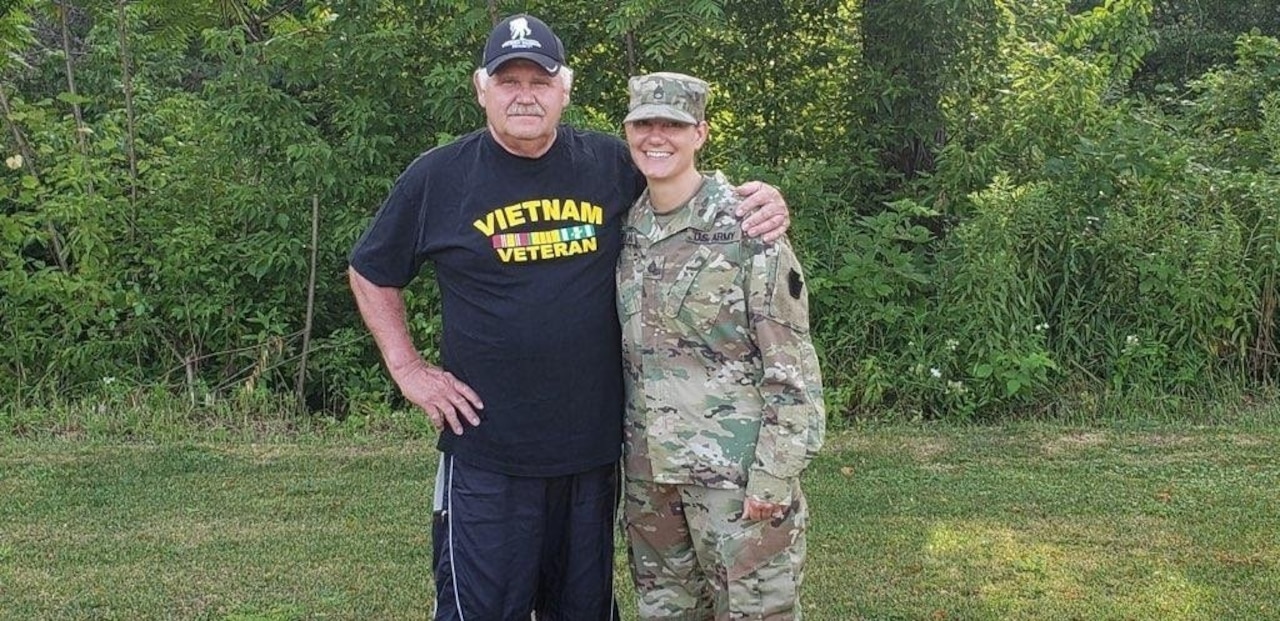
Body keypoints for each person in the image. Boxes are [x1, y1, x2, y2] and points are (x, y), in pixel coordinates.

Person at [347, 15, 790, 621]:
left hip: (593, 452)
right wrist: (407, 367)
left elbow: (681, 184)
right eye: (508, 81)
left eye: (540, 79)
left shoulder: (611, 164)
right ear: (482, 89)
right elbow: (372, 270)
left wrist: (756, 199)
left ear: (565, 89)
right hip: (487, 451)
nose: (524, 94)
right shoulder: (439, 177)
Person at [616, 72, 825, 620]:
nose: (656, 136)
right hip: (650, 479)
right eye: (644, 124)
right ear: (628, 131)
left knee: (755, 612)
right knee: (665, 610)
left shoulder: (746, 225)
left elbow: (792, 367)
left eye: (674, 125)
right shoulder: (628, 226)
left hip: (735, 477)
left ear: (701, 133)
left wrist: (775, 475)